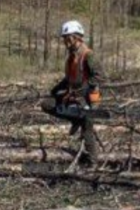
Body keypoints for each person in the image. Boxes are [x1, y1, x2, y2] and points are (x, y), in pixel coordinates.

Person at [40, 19, 101, 165]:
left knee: (87, 129)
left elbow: (99, 76)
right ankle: (75, 119)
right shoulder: (71, 57)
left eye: (68, 38)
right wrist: (56, 89)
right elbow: (69, 78)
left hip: (89, 98)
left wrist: (84, 88)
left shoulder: (88, 55)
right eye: (64, 39)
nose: (65, 42)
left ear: (77, 37)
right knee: (47, 104)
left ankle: (93, 163)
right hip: (74, 96)